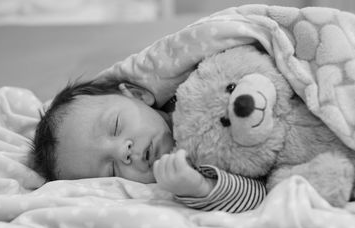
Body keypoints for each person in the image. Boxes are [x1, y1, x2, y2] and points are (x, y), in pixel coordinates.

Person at [30, 79, 266, 212]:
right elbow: (260, 195)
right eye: (111, 169)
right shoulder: (183, 174)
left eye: (115, 126)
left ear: (137, 95)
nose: (123, 152)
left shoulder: (192, 89)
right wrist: (202, 188)